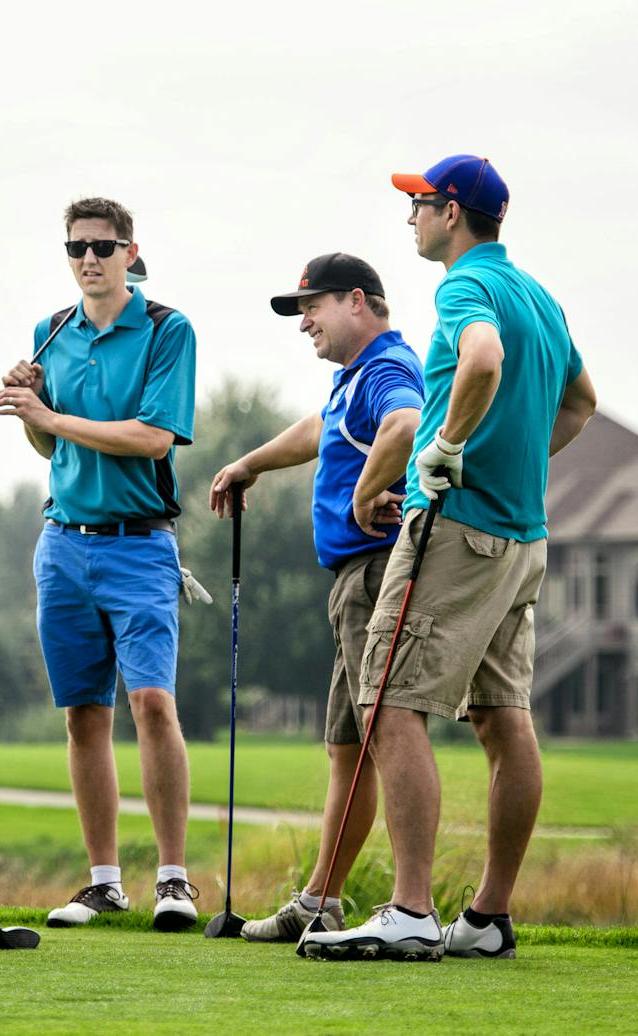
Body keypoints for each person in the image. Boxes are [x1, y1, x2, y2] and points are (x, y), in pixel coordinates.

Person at [301, 155, 597, 962]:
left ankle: (409, 910)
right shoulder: (540, 295)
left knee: (388, 704)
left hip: (455, 528)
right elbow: (580, 403)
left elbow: (483, 361)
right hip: (522, 540)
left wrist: (447, 451)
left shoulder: (464, 287)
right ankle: (488, 918)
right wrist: (512, 461)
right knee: (505, 720)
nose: (412, 219)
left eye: (421, 204)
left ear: (454, 212)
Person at [0, 197, 199, 932]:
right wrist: (30, 404)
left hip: (139, 544)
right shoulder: (52, 334)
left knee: (152, 704)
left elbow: (152, 438)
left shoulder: (168, 330)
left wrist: (50, 417)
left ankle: (174, 879)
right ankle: (105, 882)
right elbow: (51, 450)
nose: (88, 259)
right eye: (76, 246)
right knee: (84, 714)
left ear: (130, 252)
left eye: (103, 247)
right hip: (64, 545)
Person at [208, 253, 423, 942]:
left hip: (376, 570)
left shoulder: (387, 367)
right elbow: (319, 429)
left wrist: (364, 494)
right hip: (353, 582)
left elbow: (408, 423)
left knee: (380, 739)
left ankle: (409, 908)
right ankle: (320, 901)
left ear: (356, 301)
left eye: (313, 307)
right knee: (347, 746)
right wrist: (250, 463)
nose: (304, 323)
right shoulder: (351, 381)